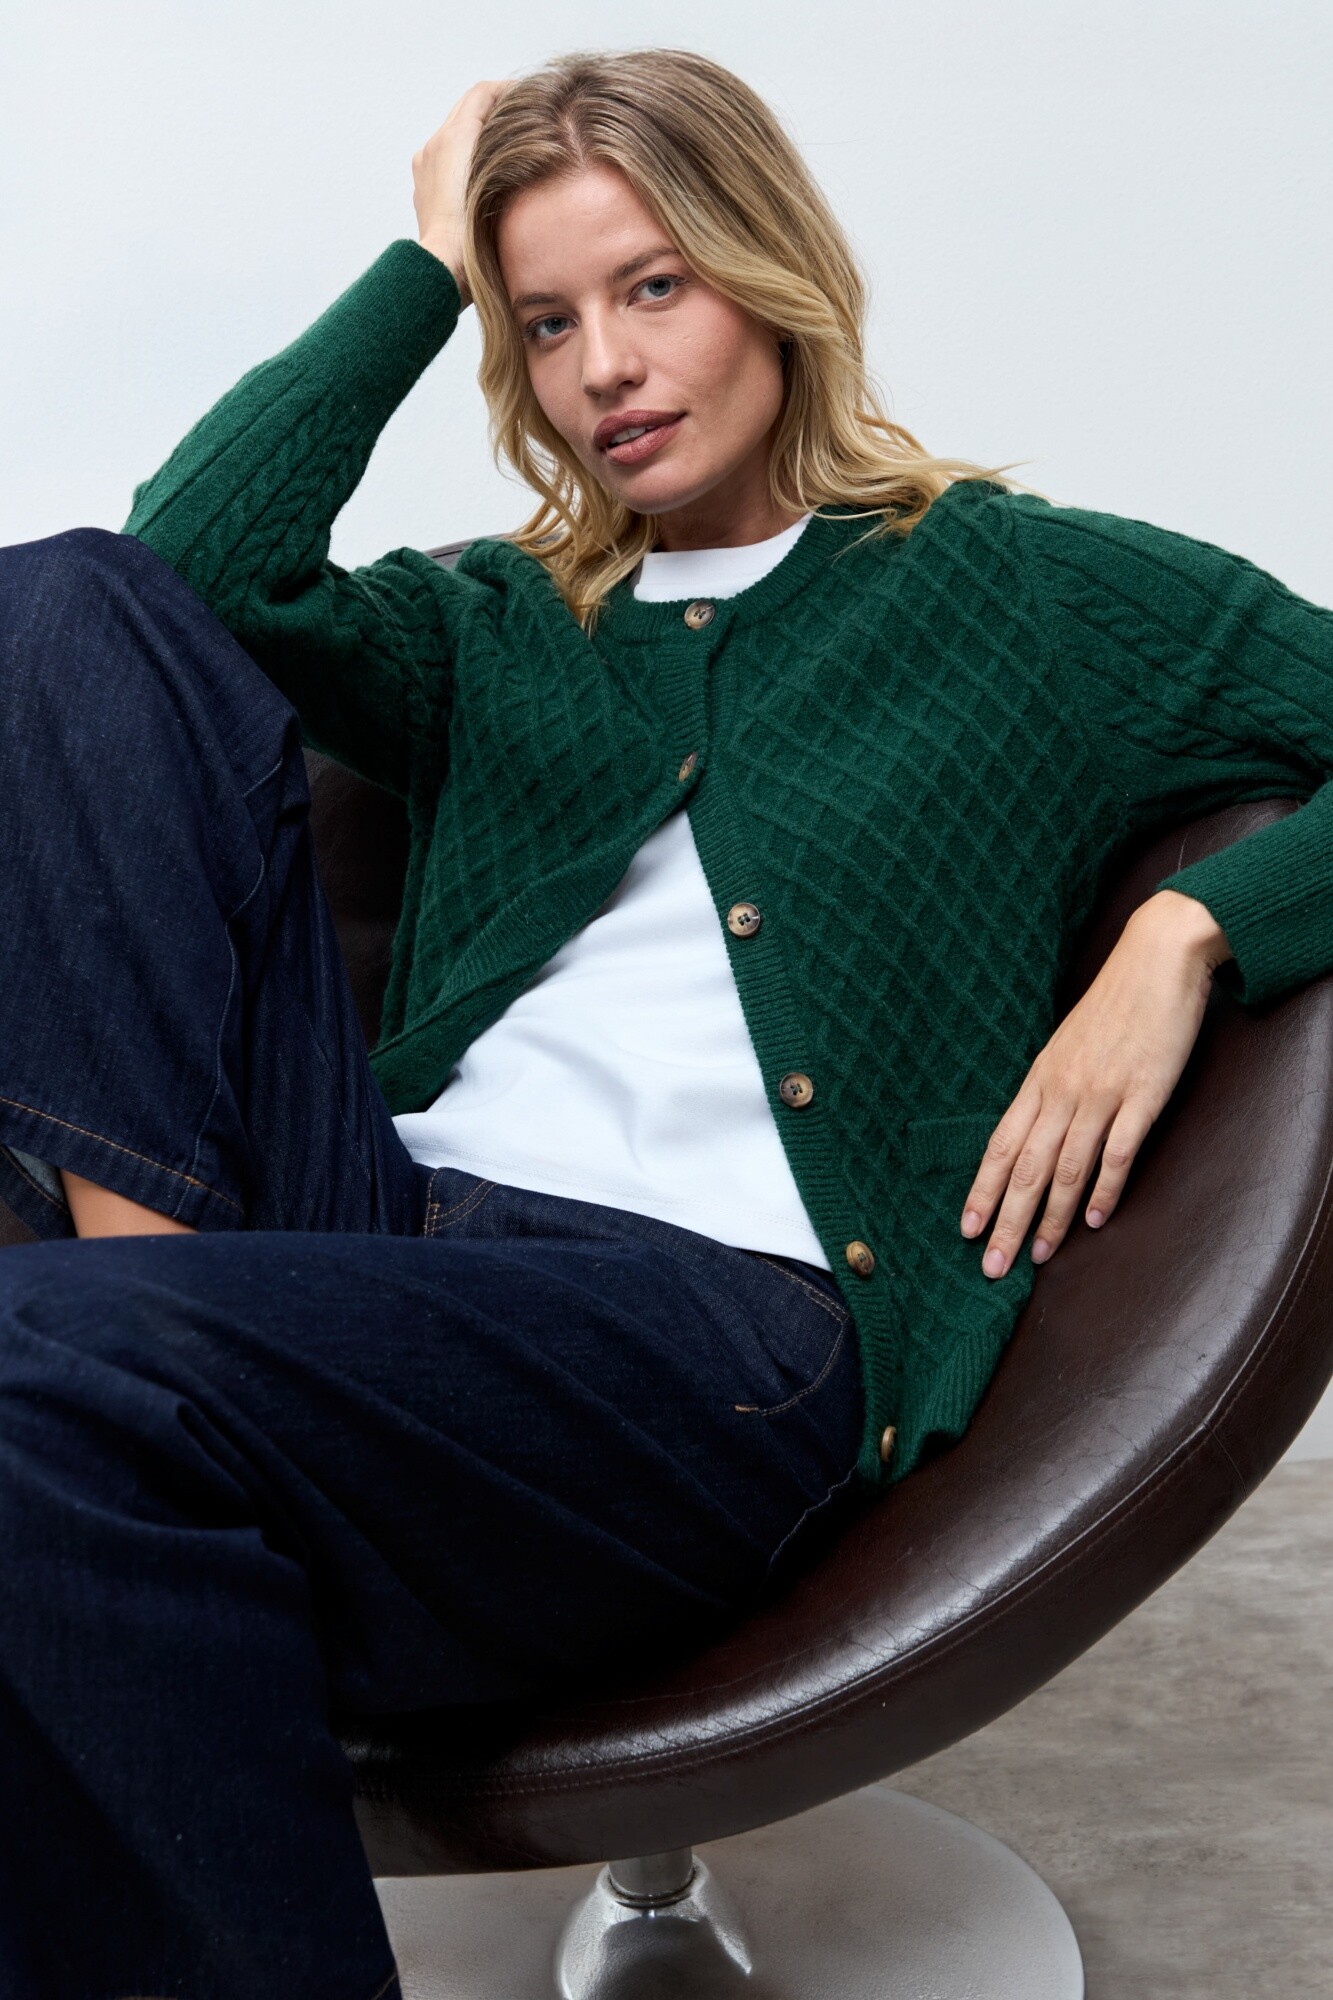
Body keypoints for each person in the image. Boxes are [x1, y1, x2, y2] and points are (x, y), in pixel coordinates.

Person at [1, 42, 1330, 2000]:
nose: (603, 368)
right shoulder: (493, 626)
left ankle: (117, 1366)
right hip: (384, 1241)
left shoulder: (1016, 591)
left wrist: (1187, 933)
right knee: (62, 600)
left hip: (713, 1330)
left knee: (29, 1368)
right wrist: (420, 259)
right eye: (543, 321)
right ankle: (146, 1334)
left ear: (769, 273)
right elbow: (182, 570)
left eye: (652, 287)